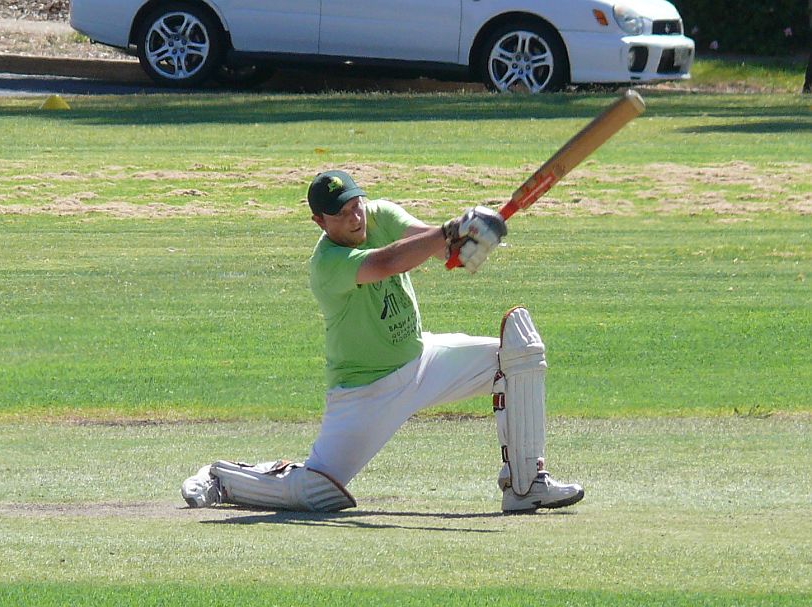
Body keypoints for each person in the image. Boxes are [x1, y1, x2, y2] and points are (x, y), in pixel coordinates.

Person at [181, 170, 584, 514]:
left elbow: (423, 239)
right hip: (365, 391)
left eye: (356, 203)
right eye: (341, 213)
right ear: (319, 221)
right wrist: (451, 233)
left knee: (519, 355)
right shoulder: (326, 266)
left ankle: (526, 485)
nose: (355, 216)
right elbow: (387, 262)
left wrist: (463, 237)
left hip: (421, 359)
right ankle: (222, 477)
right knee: (316, 491)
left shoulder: (378, 214)